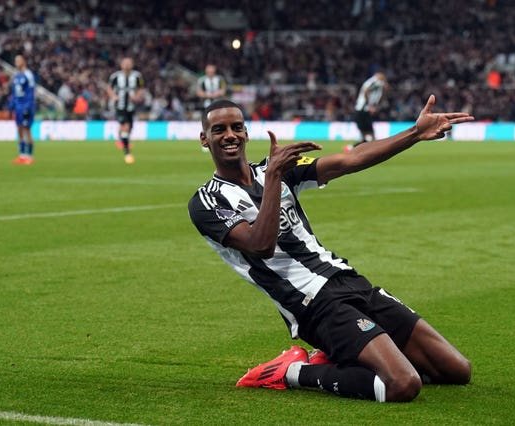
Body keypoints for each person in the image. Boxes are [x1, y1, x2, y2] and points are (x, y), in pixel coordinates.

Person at [188, 97, 474, 402]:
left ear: (246, 133)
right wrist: (273, 177)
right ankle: (291, 371)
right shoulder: (207, 202)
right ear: (205, 139)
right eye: (219, 129)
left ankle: (342, 355)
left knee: (456, 370)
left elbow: (350, 161)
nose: (229, 135)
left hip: (349, 281)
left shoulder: (276, 170)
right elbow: (261, 245)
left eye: (236, 127)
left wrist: (414, 134)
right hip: (313, 305)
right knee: (402, 384)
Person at [107, 57, 145, 164]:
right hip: (120, 105)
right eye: (125, 63)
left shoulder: (137, 76)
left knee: (129, 128)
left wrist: (137, 96)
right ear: (121, 65)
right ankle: (127, 152)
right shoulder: (115, 76)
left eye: (129, 63)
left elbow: (141, 88)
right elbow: (109, 88)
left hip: (131, 106)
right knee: (125, 126)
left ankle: (122, 139)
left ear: (132, 64)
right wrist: (114, 96)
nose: (127, 65)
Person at [345, 71, 389, 152]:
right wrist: (370, 106)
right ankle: (374, 151)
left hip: (362, 111)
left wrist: (375, 105)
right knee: (369, 133)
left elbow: (380, 93)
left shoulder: (376, 83)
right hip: (362, 110)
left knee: (366, 134)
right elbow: (366, 91)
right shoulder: (373, 82)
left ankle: (353, 148)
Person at [9, 55, 36, 165]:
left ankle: (29, 156)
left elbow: (31, 92)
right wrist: (11, 106)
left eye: (18, 60)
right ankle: (22, 156)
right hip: (18, 107)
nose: (16, 63)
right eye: (15, 61)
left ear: (24, 62)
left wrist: (28, 107)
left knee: (27, 130)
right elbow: (14, 94)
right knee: (19, 130)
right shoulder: (16, 76)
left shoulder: (28, 75)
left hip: (26, 106)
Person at [196, 64, 227, 153]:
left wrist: (216, 94)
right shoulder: (202, 81)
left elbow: (223, 90)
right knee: (206, 125)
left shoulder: (220, 79)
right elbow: (198, 92)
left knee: (220, 123)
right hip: (206, 106)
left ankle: (221, 143)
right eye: (208, 72)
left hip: (218, 105)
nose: (210, 73)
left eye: (212, 72)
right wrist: (208, 95)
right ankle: (206, 143)